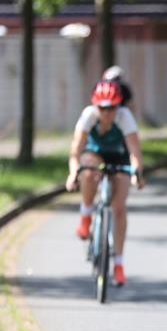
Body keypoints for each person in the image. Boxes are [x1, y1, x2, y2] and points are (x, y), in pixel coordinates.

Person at [66, 79, 145, 286]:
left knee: (119, 207)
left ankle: (118, 264)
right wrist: (73, 173)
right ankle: (86, 216)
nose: (107, 113)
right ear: (95, 106)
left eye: (111, 108)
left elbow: (135, 153)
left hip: (119, 157)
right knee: (89, 170)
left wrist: (137, 173)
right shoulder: (88, 116)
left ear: (118, 106)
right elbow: (75, 151)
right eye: (102, 108)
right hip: (95, 154)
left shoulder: (125, 117)